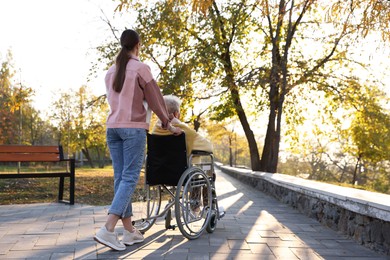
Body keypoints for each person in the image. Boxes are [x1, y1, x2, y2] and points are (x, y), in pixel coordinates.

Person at [94, 29, 182, 251]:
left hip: (112, 128)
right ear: (138, 44)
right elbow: (155, 98)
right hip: (132, 129)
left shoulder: (110, 71)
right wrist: (166, 122)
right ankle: (108, 228)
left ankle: (129, 231)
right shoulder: (141, 68)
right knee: (130, 178)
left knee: (120, 178)